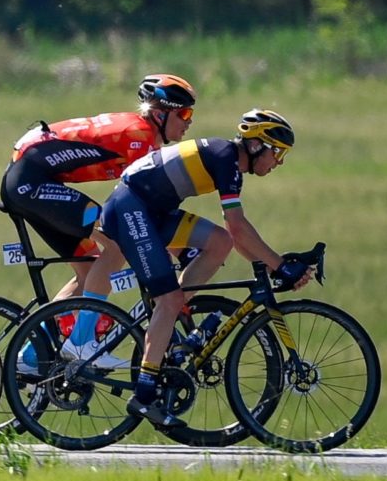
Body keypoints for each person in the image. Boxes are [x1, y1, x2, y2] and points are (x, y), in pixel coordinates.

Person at [104, 109, 308, 427]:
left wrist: (271, 265)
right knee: (168, 300)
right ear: (256, 146)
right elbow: (239, 226)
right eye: (277, 152)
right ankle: (144, 397)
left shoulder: (229, 162)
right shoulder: (226, 157)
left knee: (218, 242)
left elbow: (235, 239)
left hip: (151, 211)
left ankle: (176, 312)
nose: (279, 162)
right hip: (131, 209)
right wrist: (279, 265)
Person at [4, 74, 216, 364]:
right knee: (115, 245)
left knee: (89, 266)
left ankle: (30, 357)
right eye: (183, 113)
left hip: (28, 181)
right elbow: (136, 214)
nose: (189, 121)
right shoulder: (139, 139)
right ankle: (80, 342)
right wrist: (181, 248)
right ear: (159, 114)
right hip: (31, 183)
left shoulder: (139, 131)